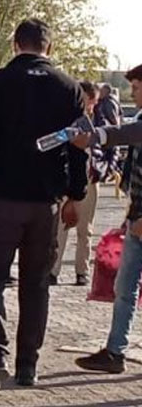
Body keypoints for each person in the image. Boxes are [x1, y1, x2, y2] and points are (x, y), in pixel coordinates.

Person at [0, 18, 87, 392]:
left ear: (15, 44)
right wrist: (76, 194)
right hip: (45, 201)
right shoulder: (68, 87)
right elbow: (78, 146)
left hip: (2, 196)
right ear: (48, 47)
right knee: (36, 284)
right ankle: (28, 365)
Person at [71, 64, 142, 374]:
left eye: (136, 88)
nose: (132, 94)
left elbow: (123, 134)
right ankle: (115, 351)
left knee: (126, 288)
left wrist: (94, 136)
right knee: (125, 289)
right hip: (136, 218)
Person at [53, 81, 109, 286]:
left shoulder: (101, 120)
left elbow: (110, 146)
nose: (89, 105)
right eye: (86, 100)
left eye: (92, 101)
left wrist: (105, 167)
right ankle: (53, 269)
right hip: (68, 178)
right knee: (61, 226)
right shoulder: (66, 118)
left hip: (91, 179)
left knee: (85, 229)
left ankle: (81, 270)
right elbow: (57, 141)